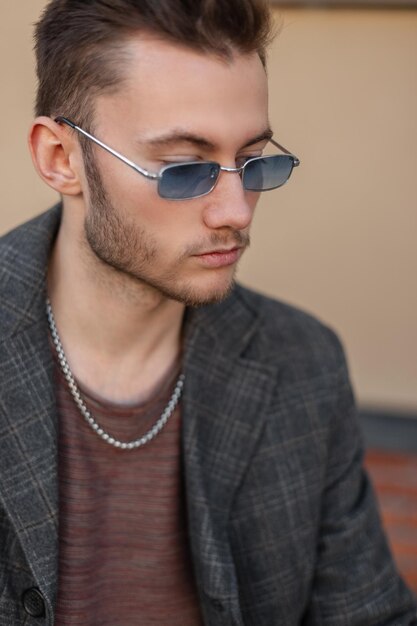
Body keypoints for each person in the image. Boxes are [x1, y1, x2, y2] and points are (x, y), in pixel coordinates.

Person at [0, 0, 415, 624]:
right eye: (186, 168)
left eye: (253, 161)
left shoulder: (301, 363)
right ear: (61, 158)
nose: (237, 212)